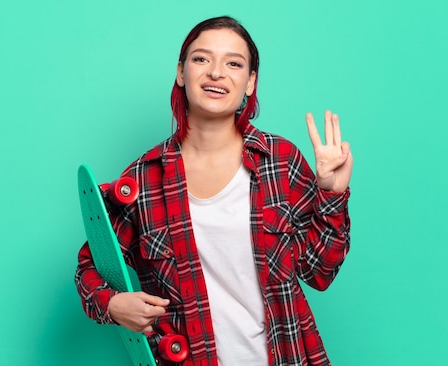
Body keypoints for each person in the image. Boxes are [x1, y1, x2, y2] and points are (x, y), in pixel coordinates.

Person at [75, 16, 353, 366]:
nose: (216, 73)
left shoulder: (280, 161)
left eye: (234, 63)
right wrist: (113, 306)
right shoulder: (144, 179)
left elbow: (319, 272)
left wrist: (331, 195)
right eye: (201, 59)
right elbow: (89, 266)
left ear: (250, 82)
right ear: (180, 72)